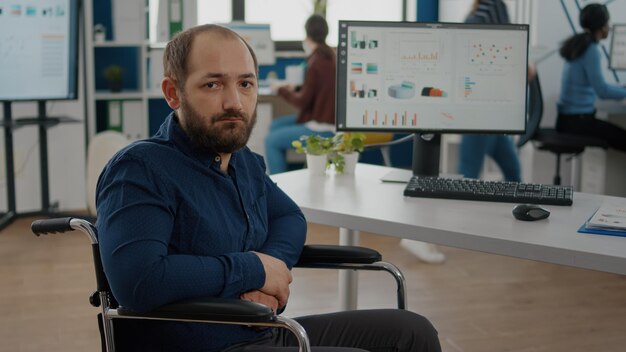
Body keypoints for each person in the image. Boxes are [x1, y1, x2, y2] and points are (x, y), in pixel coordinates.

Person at [95, 24, 441, 352]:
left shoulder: (243, 161)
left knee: (413, 331)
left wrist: (270, 275)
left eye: (245, 84)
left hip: (262, 329)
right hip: (205, 345)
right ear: (174, 93)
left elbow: (289, 217)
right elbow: (139, 282)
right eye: (213, 85)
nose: (235, 102)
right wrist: (254, 268)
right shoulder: (140, 169)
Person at [457, 0, 522, 183]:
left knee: (513, 170)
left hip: (486, 108)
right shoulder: (494, 7)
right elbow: (508, 46)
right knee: (468, 174)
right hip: (482, 109)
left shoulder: (476, 13)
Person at [265, 14, 336, 174]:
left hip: (322, 128)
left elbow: (302, 102)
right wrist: (296, 89)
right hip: (327, 122)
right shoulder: (329, 57)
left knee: (270, 141)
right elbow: (318, 92)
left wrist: (280, 89)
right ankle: (286, 172)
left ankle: (280, 186)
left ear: (308, 35)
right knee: (274, 126)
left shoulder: (316, 62)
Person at [556, 3, 626, 152]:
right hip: (578, 121)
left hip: (566, 120)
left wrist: (621, 89)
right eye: (607, 23)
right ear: (601, 26)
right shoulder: (591, 49)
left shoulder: (579, 44)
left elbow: (599, 85)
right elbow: (602, 90)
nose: (609, 27)